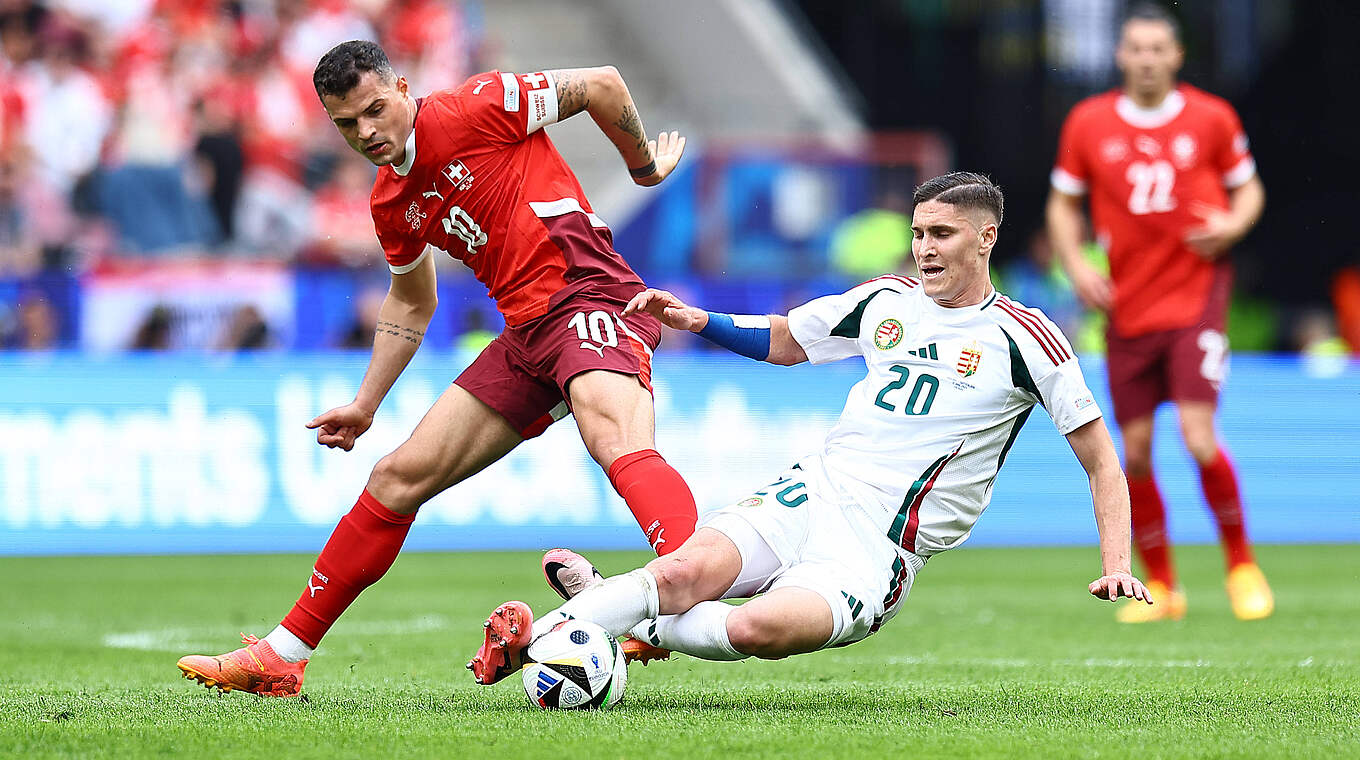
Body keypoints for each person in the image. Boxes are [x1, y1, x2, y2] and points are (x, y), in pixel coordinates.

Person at [467, 172, 1151, 684]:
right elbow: (791, 338)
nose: (924, 249)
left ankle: (616, 609)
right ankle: (538, 640)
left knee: (758, 626)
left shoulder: (1024, 338)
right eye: (918, 233)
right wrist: (700, 321)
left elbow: (1100, 461)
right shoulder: (887, 300)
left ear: (986, 237)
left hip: (878, 549)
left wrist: (1115, 566)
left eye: (941, 235)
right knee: (684, 572)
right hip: (815, 491)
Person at [177, 40, 700, 697]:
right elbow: (412, 299)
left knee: (613, 438)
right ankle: (282, 656)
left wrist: (644, 166)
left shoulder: (473, 107)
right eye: (346, 124)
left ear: (401, 87)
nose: (366, 132)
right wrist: (367, 403)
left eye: (374, 110)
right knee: (396, 478)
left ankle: (686, 588)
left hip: (590, 297)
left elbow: (602, 81)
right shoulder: (391, 202)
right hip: (526, 334)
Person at [1046, 3, 1271, 623]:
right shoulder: (1088, 122)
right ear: (1121, 56)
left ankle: (1241, 566)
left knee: (1199, 437)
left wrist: (1233, 222)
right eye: (1135, 49)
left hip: (1195, 298)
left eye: (1157, 49)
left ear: (1176, 55)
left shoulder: (1211, 117)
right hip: (1127, 306)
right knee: (1136, 453)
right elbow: (1064, 205)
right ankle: (1164, 589)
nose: (1146, 59)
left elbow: (1249, 187)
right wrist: (1078, 265)